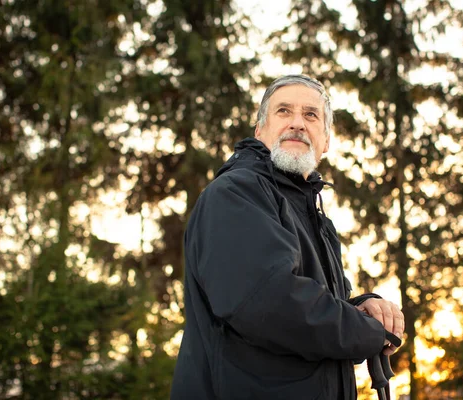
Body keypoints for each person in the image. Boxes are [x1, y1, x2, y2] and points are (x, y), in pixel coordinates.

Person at [170, 75, 405, 399]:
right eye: (283, 112)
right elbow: (268, 302)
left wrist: (363, 308)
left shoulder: (316, 220)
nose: (297, 123)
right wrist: (368, 331)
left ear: (326, 140)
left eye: (311, 115)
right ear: (259, 131)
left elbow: (319, 318)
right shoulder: (236, 194)